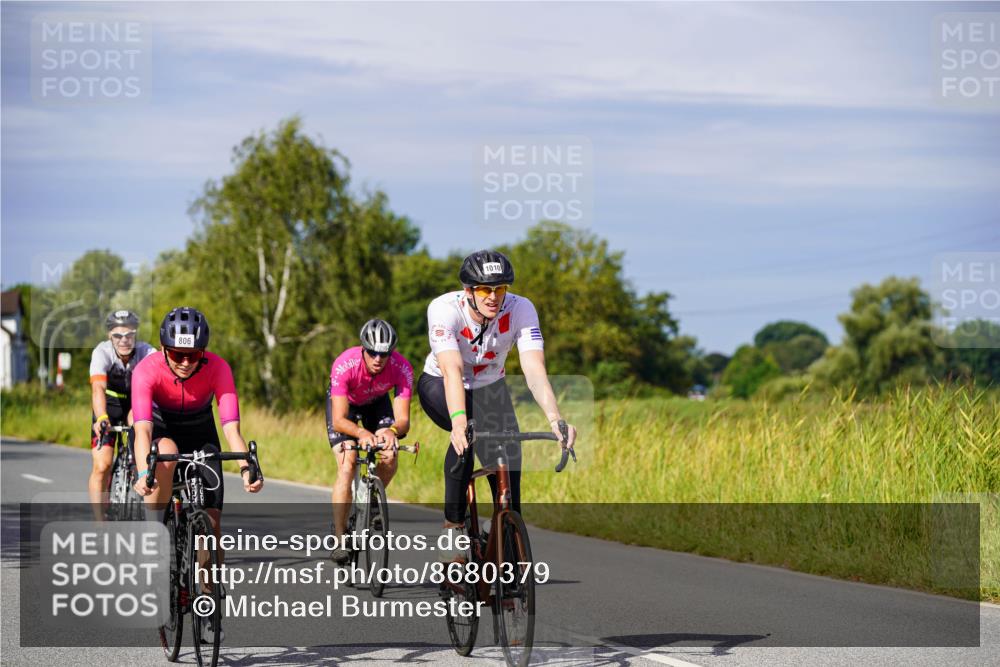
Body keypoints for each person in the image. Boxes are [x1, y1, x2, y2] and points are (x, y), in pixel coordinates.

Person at [417, 250, 577, 560]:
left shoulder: (521, 309)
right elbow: (452, 370)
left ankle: (501, 528)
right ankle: (453, 528)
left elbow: (534, 369)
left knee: (509, 460)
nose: (493, 297)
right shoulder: (444, 309)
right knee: (468, 435)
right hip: (442, 384)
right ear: (468, 291)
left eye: (500, 288)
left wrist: (555, 419)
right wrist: (459, 422)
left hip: (490, 388)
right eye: (484, 290)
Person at [131, 306, 263, 641]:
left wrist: (246, 468)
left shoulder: (218, 367)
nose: (187, 362)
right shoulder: (146, 370)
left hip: (200, 431)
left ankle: (209, 601)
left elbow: (231, 428)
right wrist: (143, 471)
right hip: (160, 428)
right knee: (166, 452)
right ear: (164, 348)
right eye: (178, 354)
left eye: (195, 355)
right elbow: (143, 429)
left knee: (211, 525)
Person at [326, 319, 414, 565]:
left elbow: (403, 420)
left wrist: (392, 431)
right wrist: (362, 433)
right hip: (347, 408)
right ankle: (340, 539)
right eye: (373, 352)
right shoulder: (345, 364)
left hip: (377, 403)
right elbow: (339, 420)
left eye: (384, 354)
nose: (378, 359)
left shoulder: (402, 367)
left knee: (390, 454)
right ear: (363, 348)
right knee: (347, 464)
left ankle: (372, 501)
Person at [87, 310, 155, 518]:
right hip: (109, 405)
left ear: (136, 334)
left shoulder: (146, 352)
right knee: (102, 466)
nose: (124, 340)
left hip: (136, 402)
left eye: (129, 334)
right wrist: (101, 418)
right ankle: (99, 522)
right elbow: (98, 388)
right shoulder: (102, 352)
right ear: (109, 335)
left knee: (138, 424)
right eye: (118, 335)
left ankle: (135, 466)